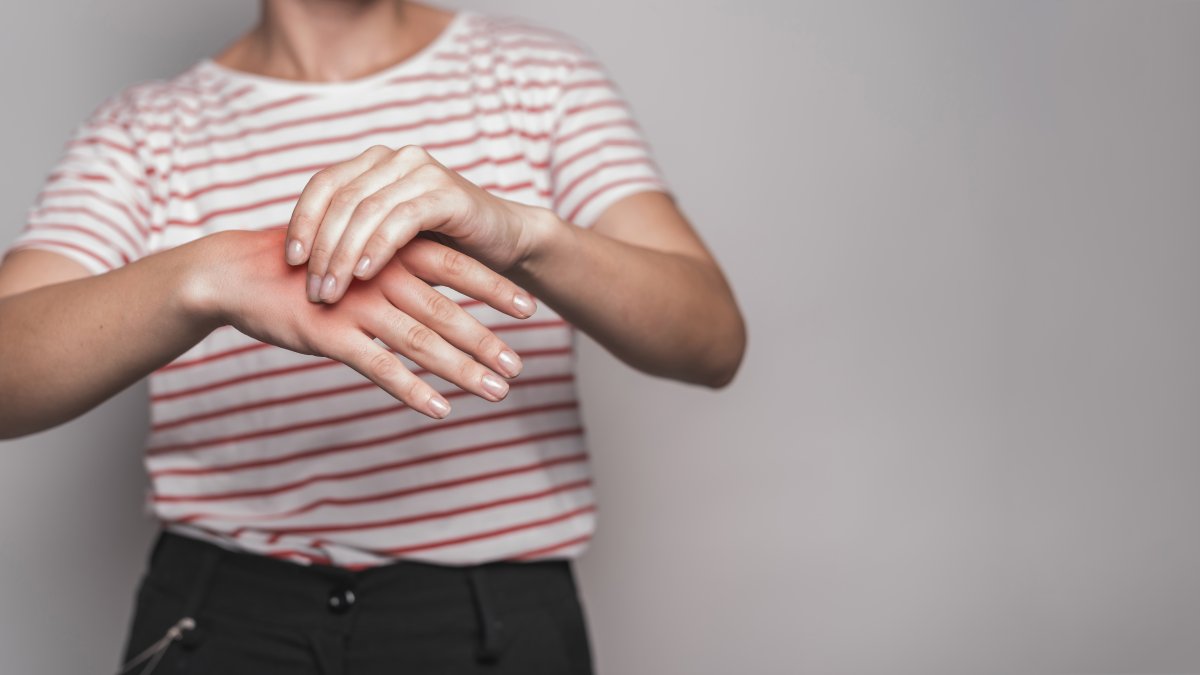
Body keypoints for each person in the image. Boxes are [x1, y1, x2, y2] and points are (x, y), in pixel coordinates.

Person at [0, 1, 746, 673]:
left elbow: (713, 341)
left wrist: (526, 236)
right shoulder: (144, 130)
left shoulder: (538, 78)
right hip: (220, 618)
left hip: (491, 620)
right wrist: (200, 278)